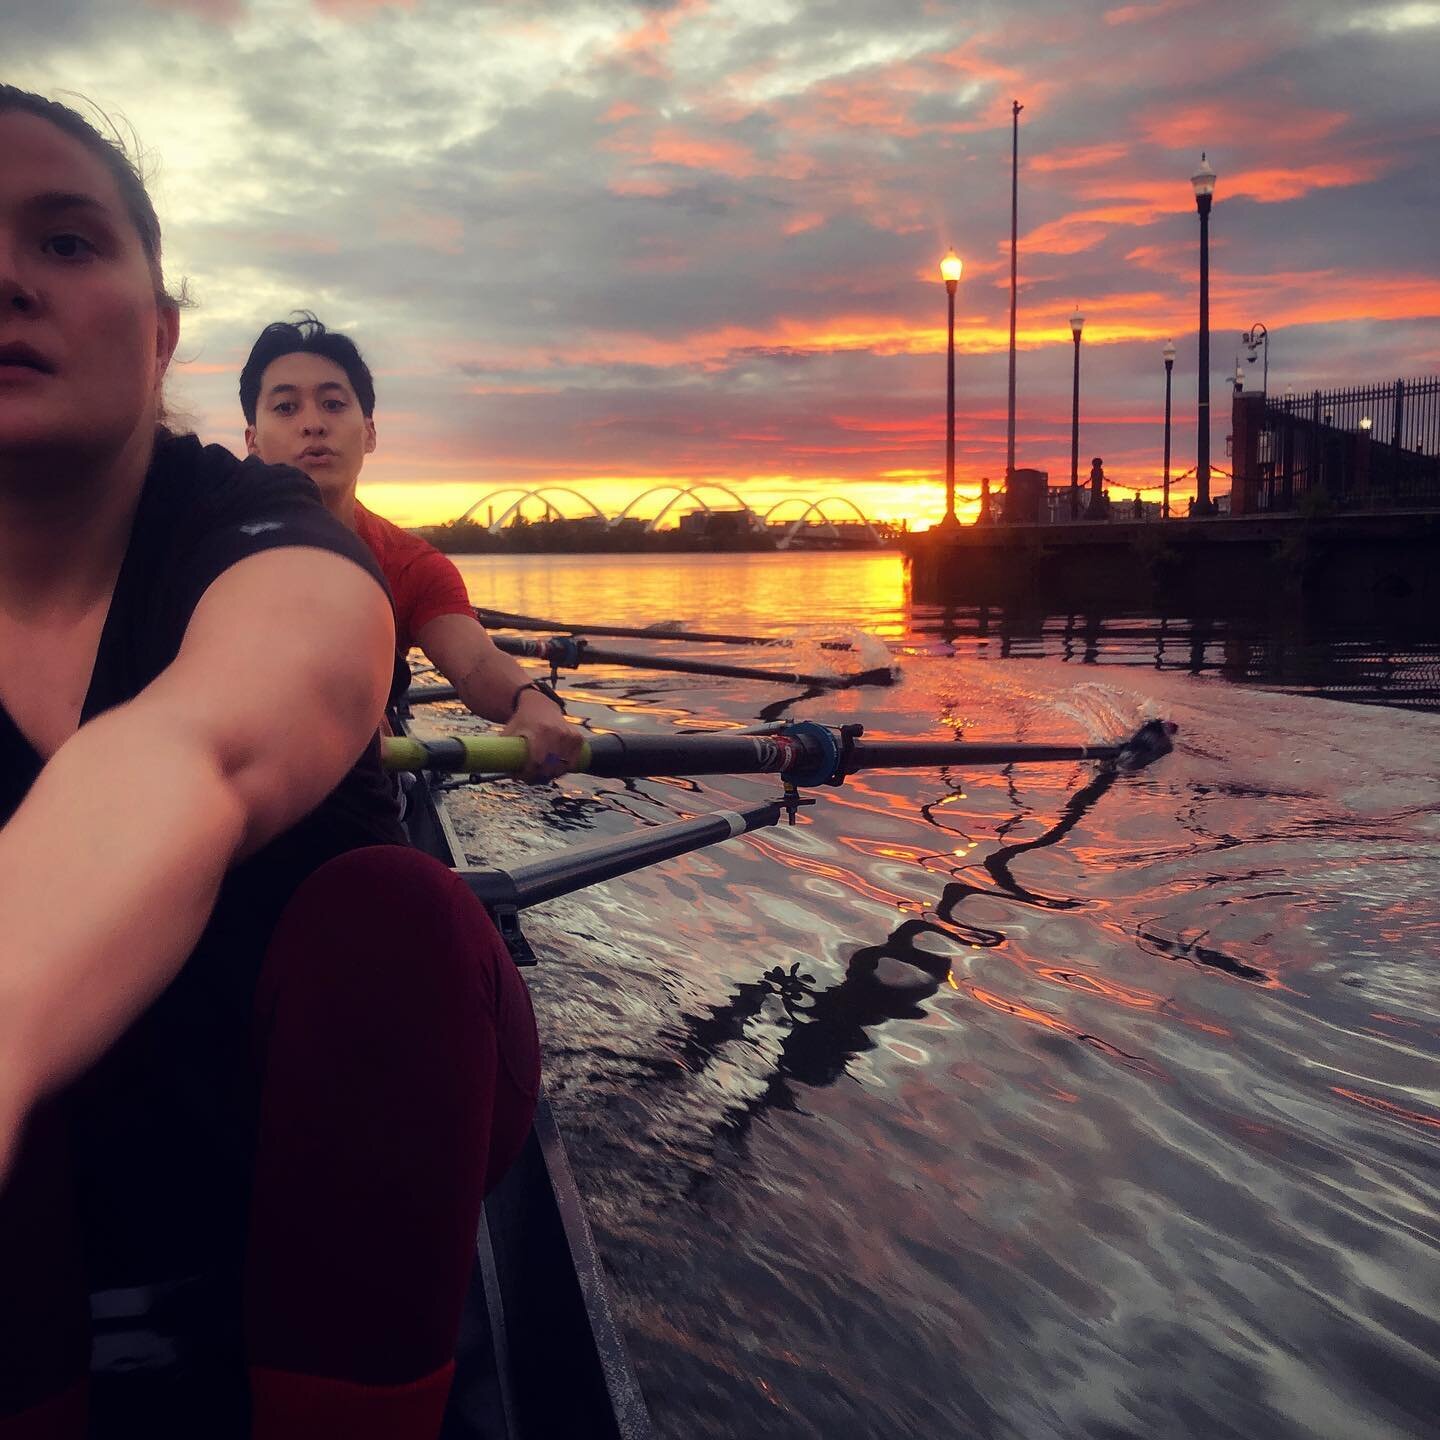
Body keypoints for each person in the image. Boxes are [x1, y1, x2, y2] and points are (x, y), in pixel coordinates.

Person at [0, 87, 538, 1438]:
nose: (6, 279)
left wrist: (529, 702)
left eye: (65, 241)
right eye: (287, 403)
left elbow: (201, 751)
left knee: (403, 915)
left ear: (161, 329)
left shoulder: (292, 546)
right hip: (62, 1157)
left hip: (322, 1082)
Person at [239, 317, 582, 783]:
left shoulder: (412, 564)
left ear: (370, 433)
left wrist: (533, 700)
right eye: (285, 407)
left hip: (356, 782)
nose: (313, 424)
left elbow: (476, 662)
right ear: (252, 442)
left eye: (334, 404)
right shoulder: (204, 540)